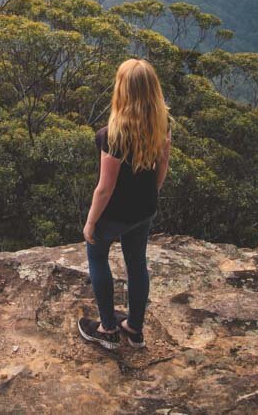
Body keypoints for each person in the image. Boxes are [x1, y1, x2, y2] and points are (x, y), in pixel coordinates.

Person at [77, 58, 172, 350]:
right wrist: (151, 194)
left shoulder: (113, 135)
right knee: (136, 264)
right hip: (144, 210)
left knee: (96, 258)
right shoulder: (163, 122)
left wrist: (91, 222)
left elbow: (105, 189)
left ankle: (107, 330)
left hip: (114, 214)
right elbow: (163, 165)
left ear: (122, 90)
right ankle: (134, 329)